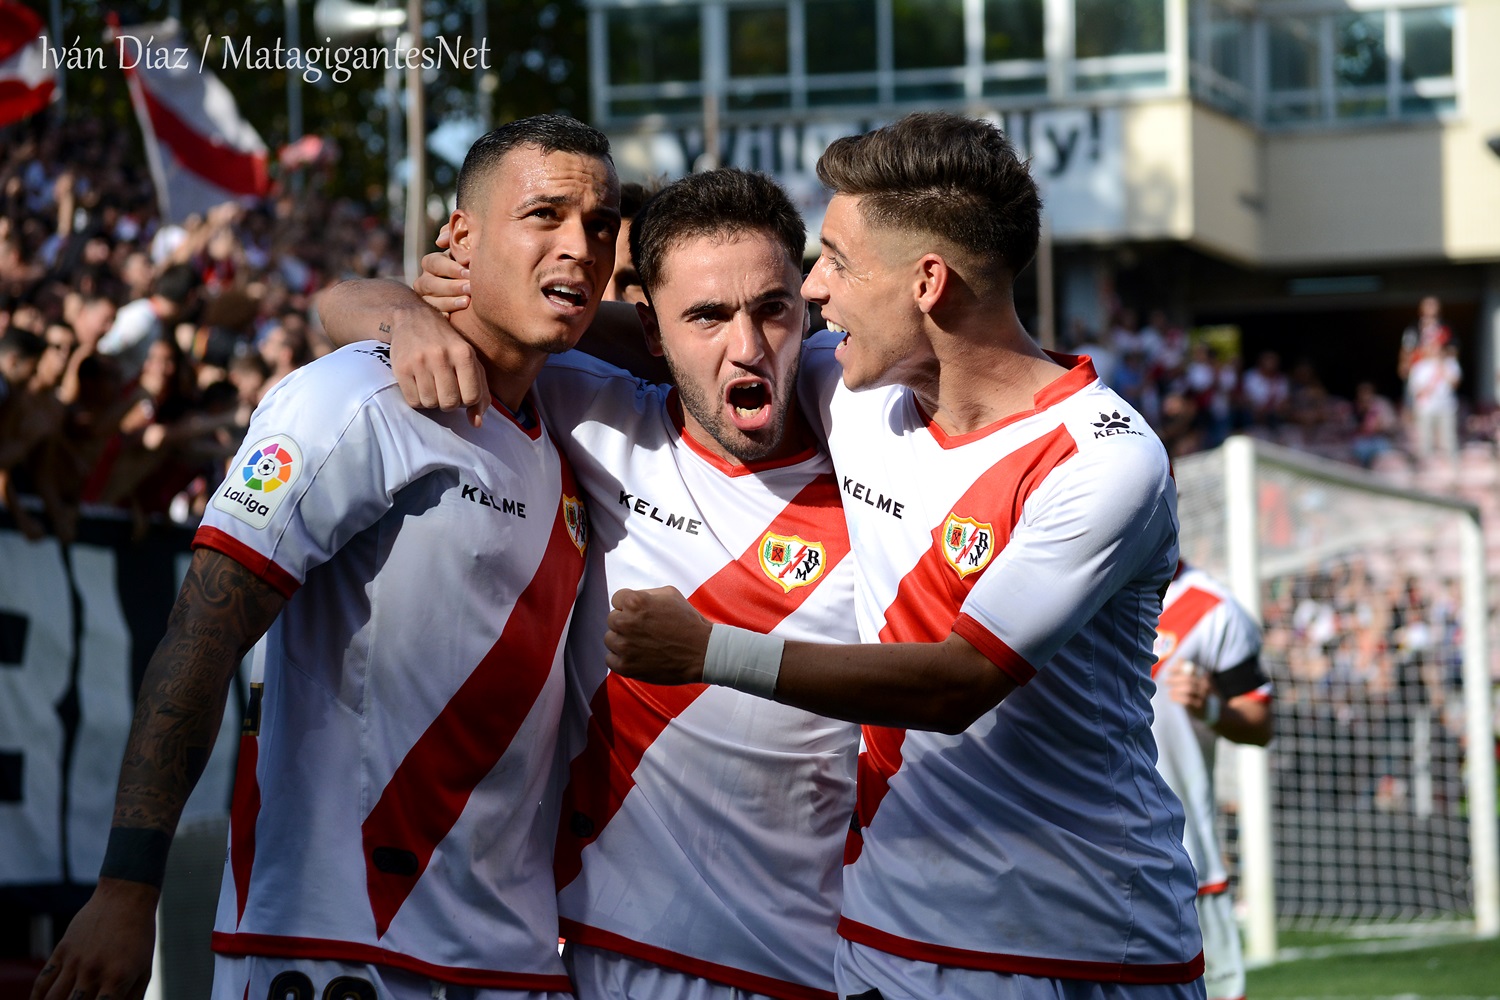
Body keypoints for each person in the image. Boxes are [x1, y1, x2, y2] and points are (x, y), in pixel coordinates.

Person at [601, 113, 1204, 998]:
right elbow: (670, 336)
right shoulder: (853, 390)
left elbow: (955, 686)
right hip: (888, 936)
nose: (814, 291)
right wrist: (401, 314)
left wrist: (709, 654)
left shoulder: (1104, 461)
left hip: (1077, 946)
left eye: (839, 262)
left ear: (927, 282)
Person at [30, 113, 620, 1000]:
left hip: (513, 964)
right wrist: (125, 890)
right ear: (459, 236)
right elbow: (201, 634)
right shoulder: (351, 399)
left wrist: (373, 298)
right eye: (545, 215)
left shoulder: (566, 424)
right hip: (331, 957)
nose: (580, 245)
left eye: (602, 224)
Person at [322, 167, 861, 1000]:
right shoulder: (596, 416)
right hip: (597, 955)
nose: (748, 346)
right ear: (651, 328)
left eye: (774, 309)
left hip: (807, 968)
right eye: (709, 316)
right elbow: (342, 299)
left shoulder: (875, 450)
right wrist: (409, 319)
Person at [1151, 563, 1274, 1000]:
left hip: (1183, 858)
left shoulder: (1212, 610)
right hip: (1080, 852)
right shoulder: (1068, 584)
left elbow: (1260, 722)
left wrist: (1213, 709)